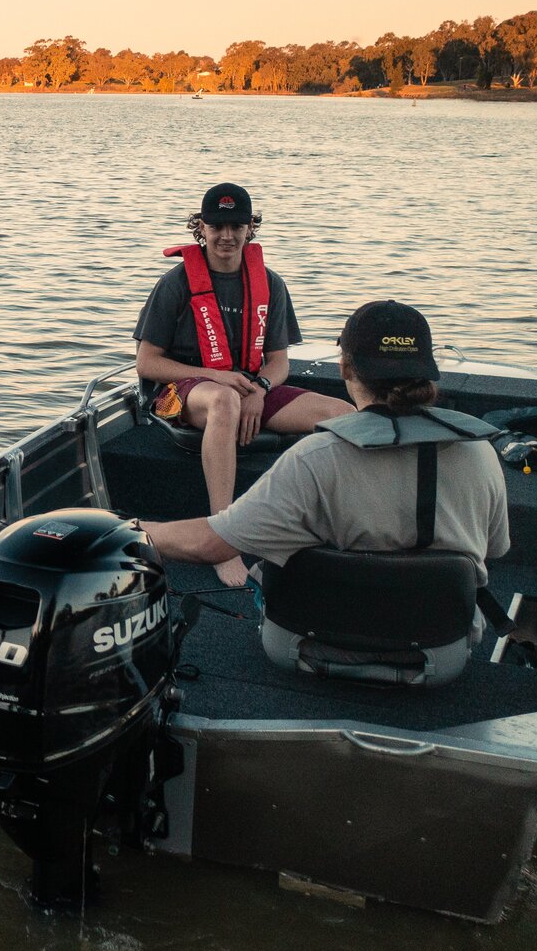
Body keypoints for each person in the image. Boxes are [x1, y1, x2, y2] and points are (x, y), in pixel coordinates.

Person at [141, 301, 512, 686]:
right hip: (440, 658)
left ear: (346, 368)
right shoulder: (479, 453)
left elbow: (209, 545)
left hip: (303, 650)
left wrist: (125, 527)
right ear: (426, 371)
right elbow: (495, 548)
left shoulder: (313, 458)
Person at [132, 182, 351, 586]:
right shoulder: (176, 283)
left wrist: (261, 389)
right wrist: (219, 379)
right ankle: (224, 540)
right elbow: (147, 362)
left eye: (237, 226)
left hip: (248, 388)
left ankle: (336, 525)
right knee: (225, 403)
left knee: (344, 415)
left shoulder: (270, 282)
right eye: (217, 226)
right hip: (181, 394)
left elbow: (278, 362)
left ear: (251, 228)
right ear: (201, 227)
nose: (227, 236)